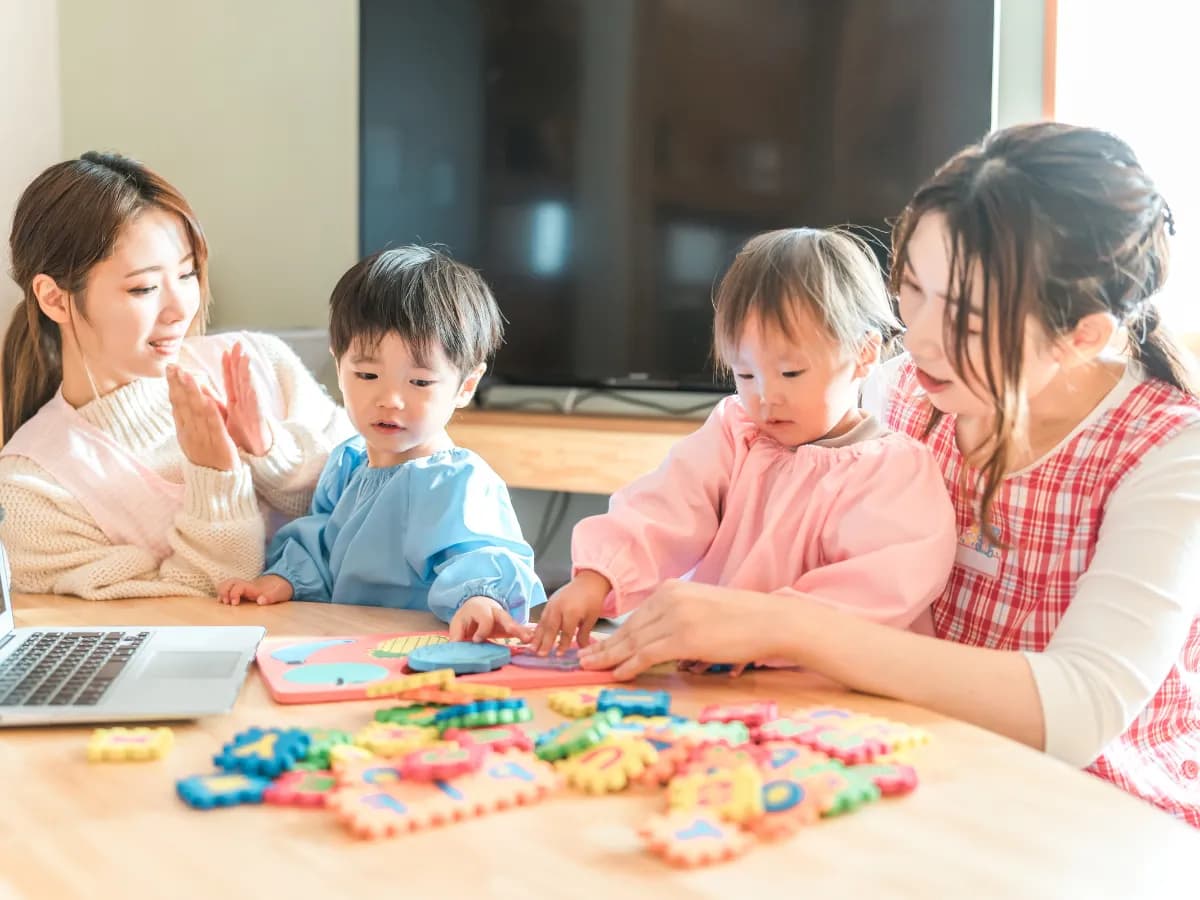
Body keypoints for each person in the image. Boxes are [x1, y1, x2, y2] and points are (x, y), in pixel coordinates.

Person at [581, 123, 1200, 828]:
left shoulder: (1168, 451)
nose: (922, 339)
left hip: (1094, 810)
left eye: (967, 320)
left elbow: (1076, 707)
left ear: (1082, 334)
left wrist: (782, 624)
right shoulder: (900, 390)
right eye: (912, 289)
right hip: (917, 757)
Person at [532, 227, 957, 660]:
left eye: (791, 373)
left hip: (834, 685)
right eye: (746, 375)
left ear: (865, 354)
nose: (766, 397)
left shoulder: (895, 472)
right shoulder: (737, 431)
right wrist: (597, 577)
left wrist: (763, 632)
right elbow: (667, 504)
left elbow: (877, 591)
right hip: (722, 671)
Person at [0, 152, 350, 599]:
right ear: (55, 299)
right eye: (144, 288)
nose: (181, 308)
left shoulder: (260, 363)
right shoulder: (33, 489)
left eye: (187, 274)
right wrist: (215, 478)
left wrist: (271, 454)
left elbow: (371, 503)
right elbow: (175, 619)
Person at [217, 246, 546, 642]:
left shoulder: (455, 480)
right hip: (343, 641)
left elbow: (478, 554)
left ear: (466, 386)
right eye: (367, 375)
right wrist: (283, 580)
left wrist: (479, 600)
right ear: (338, 366)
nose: (390, 399)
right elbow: (321, 543)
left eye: (420, 382)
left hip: (420, 650)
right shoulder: (348, 463)